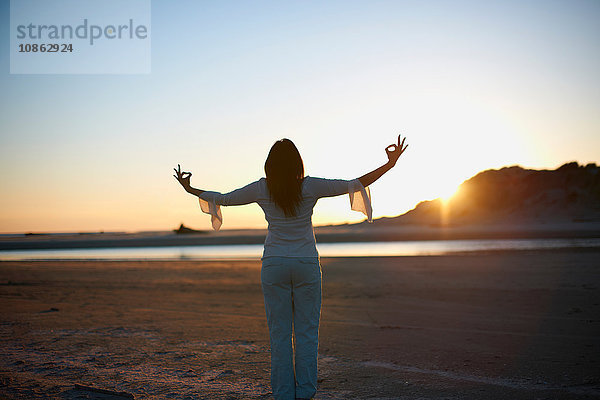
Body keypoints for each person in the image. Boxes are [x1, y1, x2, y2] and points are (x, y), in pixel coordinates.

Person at [174, 135, 408, 400]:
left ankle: (284, 394)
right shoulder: (310, 187)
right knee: (307, 331)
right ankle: (305, 391)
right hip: (306, 263)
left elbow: (223, 199)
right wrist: (390, 164)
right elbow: (354, 184)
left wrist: (189, 188)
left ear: (269, 166)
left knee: (280, 334)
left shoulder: (261, 188)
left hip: (274, 265)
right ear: (298, 163)